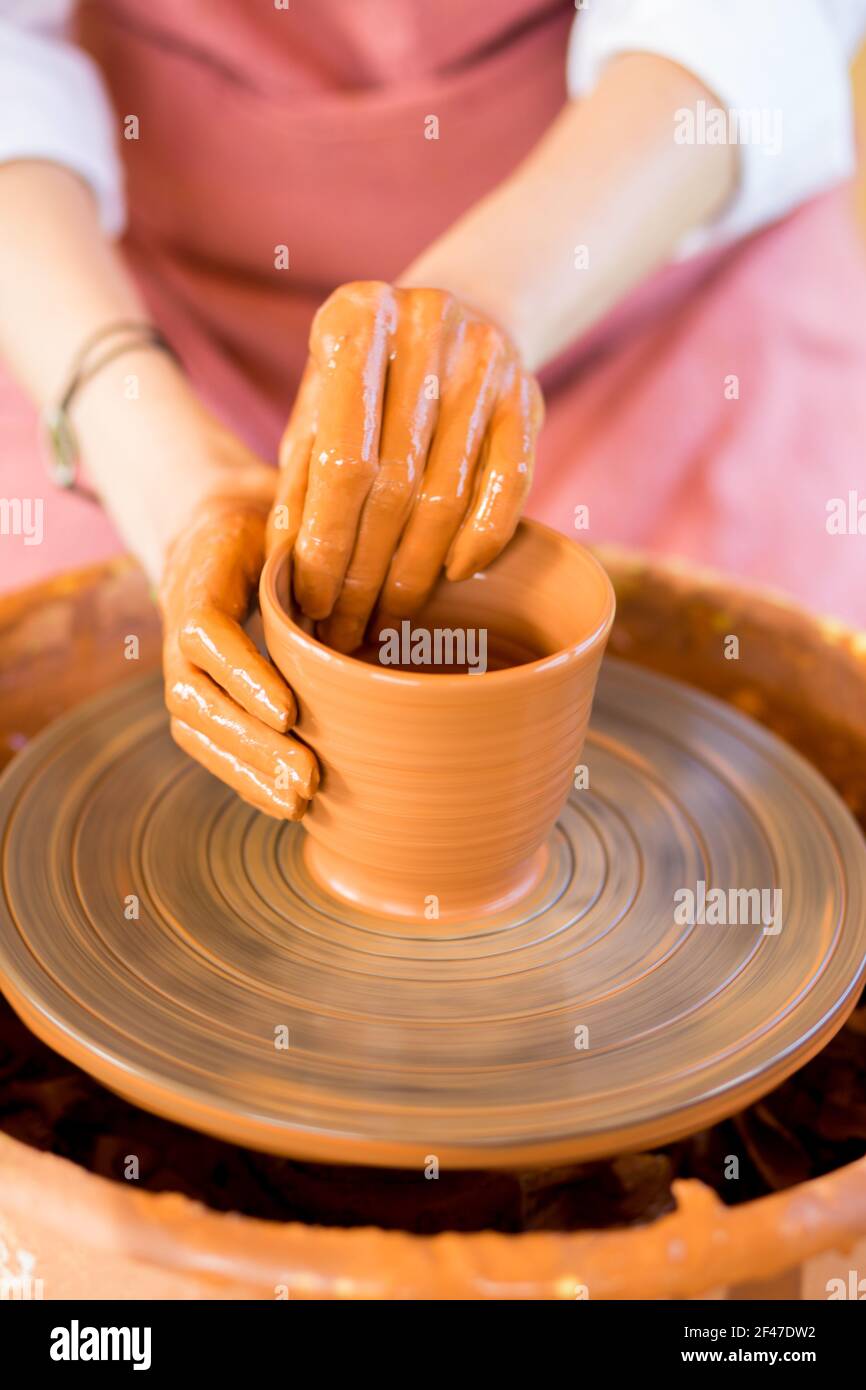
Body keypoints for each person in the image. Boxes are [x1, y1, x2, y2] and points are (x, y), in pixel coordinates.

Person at [1, 0, 865, 818]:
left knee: (761, 702)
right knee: (80, 660)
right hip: (122, 306)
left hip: (643, 247)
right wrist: (162, 472)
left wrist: (489, 299)